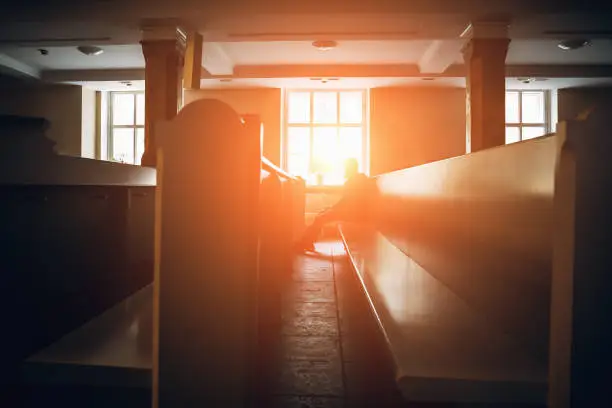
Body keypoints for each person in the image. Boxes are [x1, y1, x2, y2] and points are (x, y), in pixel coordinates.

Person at [295, 158, 377, 252]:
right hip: (354, 211)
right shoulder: (359, 178)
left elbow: (348, 201)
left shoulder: (354, 180)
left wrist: (333, 209)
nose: (344, 169)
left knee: (320, 218)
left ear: (350, 168)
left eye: (346, 167)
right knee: (322, 214)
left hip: (354, 213)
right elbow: (347, 201)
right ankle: (308, 242)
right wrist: (332, 208)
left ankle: (306, 243)